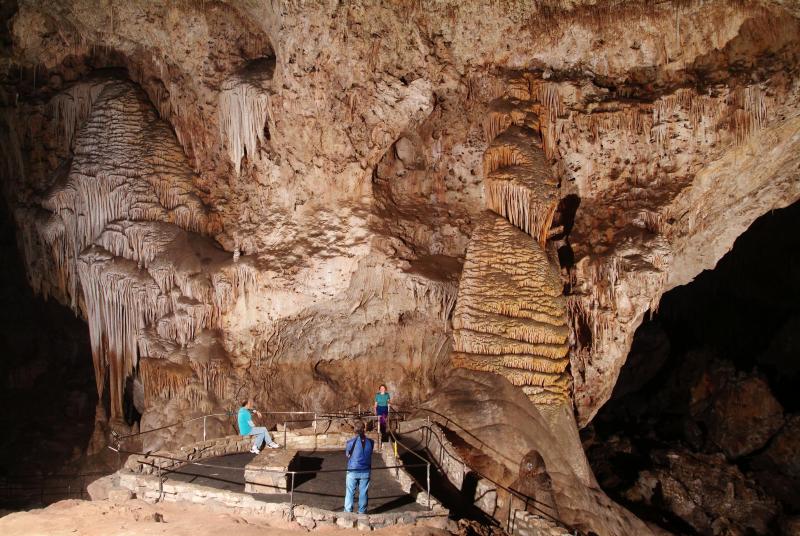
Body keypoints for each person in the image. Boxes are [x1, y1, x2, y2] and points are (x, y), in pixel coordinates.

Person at [344, 419, 374, 514]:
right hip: (365, 471)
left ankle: (348, 512)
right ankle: (362, 512)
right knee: (363, 493)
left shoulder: (350, 442)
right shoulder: (371, 442)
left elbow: (348, 455)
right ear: (364, 429)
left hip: (353, 470)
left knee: (350, 492)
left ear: (355, 430)